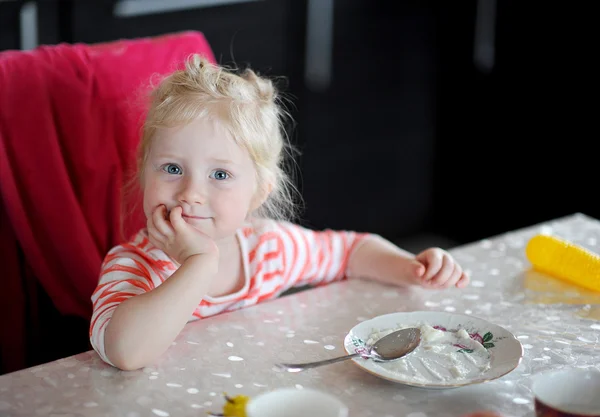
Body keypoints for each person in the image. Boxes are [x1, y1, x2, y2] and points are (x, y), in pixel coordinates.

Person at [89, 55, 470, 371]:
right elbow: (125, 352)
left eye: (220, 174)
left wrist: (412, 268)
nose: (190, 193)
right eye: (172, 168)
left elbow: (349, 252)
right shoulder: (134, 266)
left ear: (258, 193)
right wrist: (198, 262)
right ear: (143, 171)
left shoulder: (267, 249)